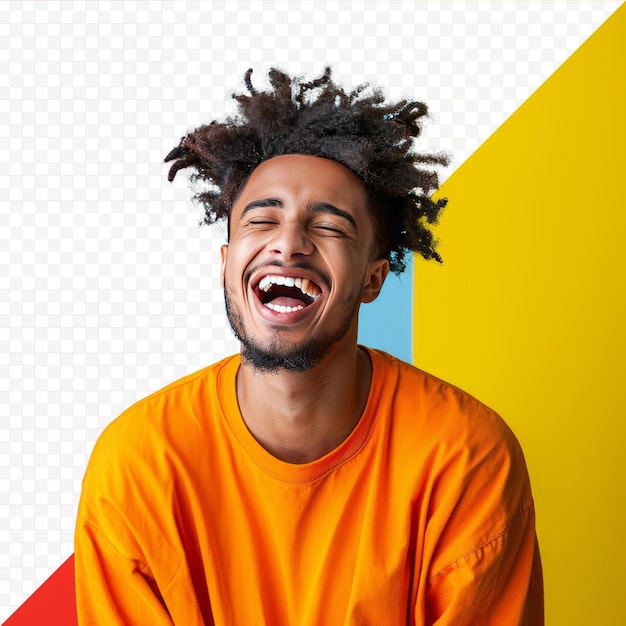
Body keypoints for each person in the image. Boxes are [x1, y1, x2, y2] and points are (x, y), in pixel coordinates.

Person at [74, 68, 543, 625]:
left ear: (373, 278)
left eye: (330, 226)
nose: (288, 243)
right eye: (262, 219)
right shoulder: (137, 464)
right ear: (227, 267)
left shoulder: (466, 458)